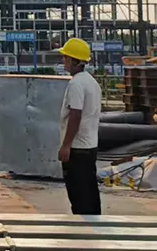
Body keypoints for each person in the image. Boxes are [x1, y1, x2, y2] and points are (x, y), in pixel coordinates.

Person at [58, 37, 102, 215]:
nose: (63, 61)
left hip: (77, 149)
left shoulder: (76, 83)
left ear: (73, 60)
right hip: (89, 146)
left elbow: (75, 114)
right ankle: (95, 229)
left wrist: (66, 145)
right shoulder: (91, 82)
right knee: (89, 193)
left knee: (79, 196)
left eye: (65, 57)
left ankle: (84, 234)